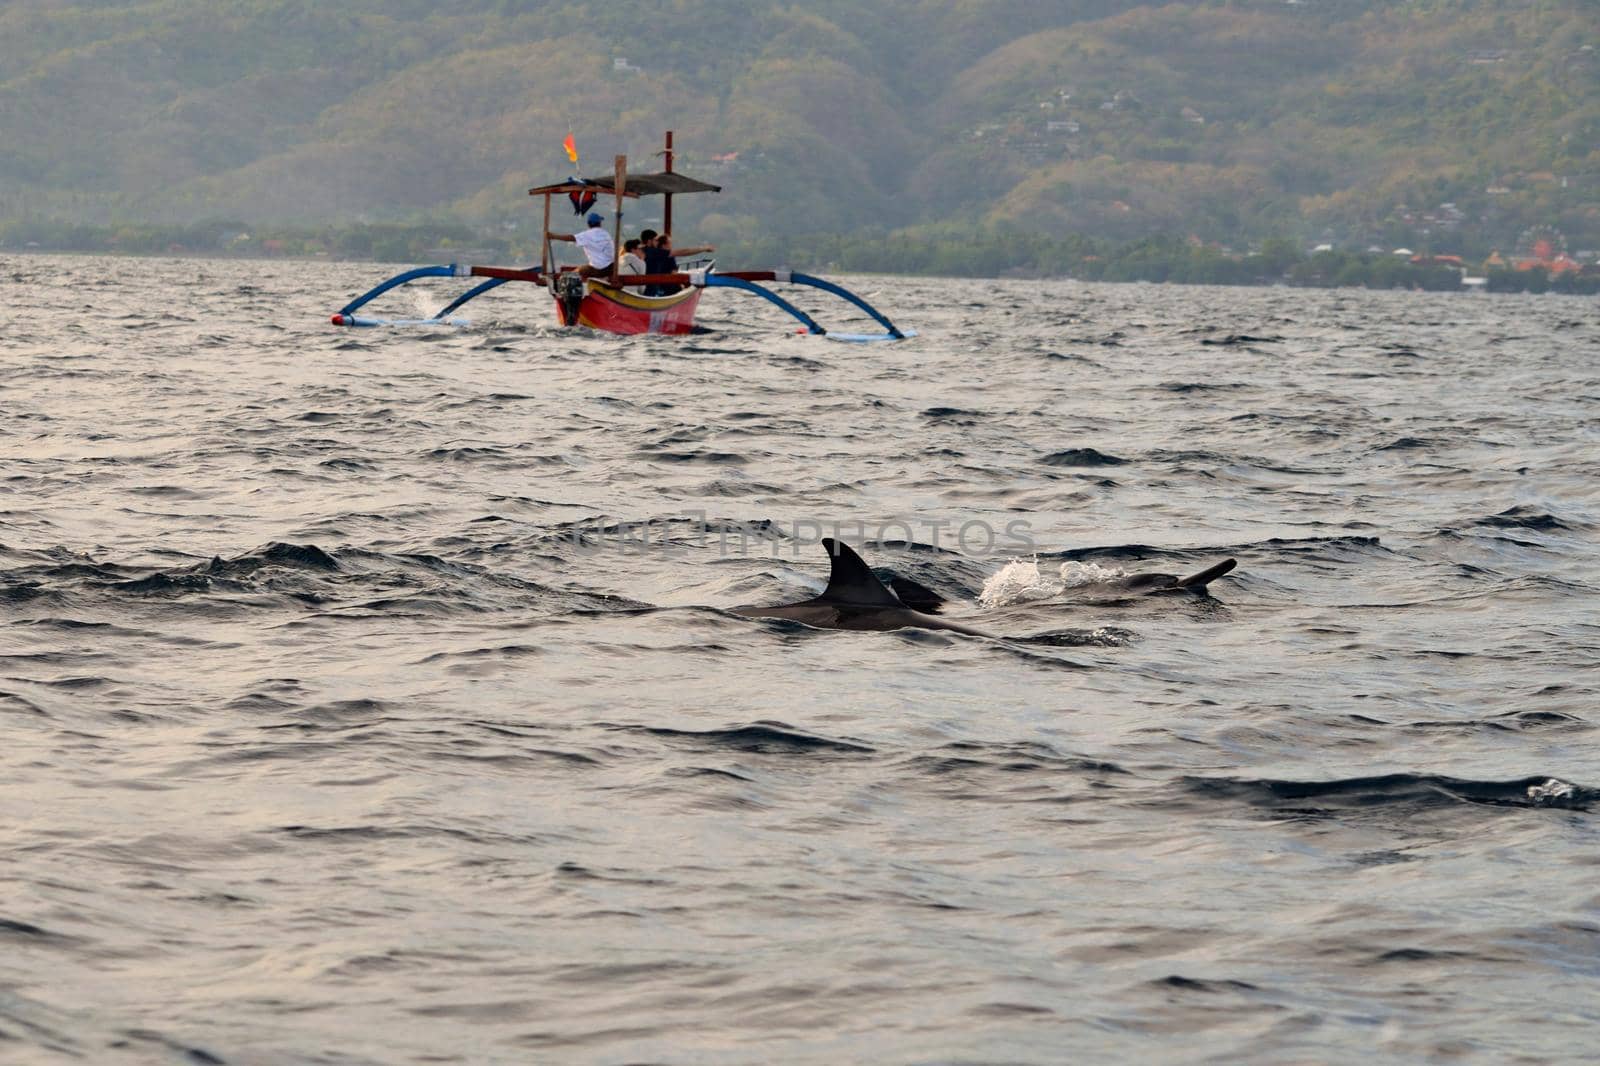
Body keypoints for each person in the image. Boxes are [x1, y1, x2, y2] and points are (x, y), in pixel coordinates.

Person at [641, 231, 715, 295]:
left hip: (645, 288)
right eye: (655, 240)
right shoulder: (657, 252)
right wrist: (704, 248)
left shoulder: (640, 251)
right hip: (656, 290)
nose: (657, 242)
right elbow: (684, 252)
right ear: (649, 241)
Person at [551, 212, 613, 278]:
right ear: (599, 223)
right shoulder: (606, 234)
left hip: (598, 270)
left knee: (577, 272)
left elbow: (571, 238)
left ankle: (561, 278)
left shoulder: (587, 235)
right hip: (611, 269)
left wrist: (554, 236)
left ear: (588, 224)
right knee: (585, 268)